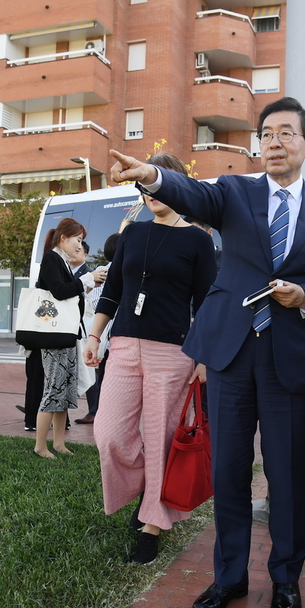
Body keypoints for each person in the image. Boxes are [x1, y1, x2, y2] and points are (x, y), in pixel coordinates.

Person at [108, 96, 305, 608]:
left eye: (287, 133)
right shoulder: (235, 192)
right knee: (229, 473)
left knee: (287, 477)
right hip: (229, 354)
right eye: (267, 133)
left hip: (289, 357)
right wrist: (153, 175)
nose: (274, 142)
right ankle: (229, 578)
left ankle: (286, 578)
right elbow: (191, 193)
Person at [84, 153, 216, 565]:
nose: (150, 194)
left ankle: (153, 524)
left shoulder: (197, 239)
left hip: (172, 353)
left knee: (160, 440)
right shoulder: (133, 234)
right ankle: (146, 488)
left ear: (176, 187)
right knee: (109, 434)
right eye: (143, 186)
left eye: (156, 184)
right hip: (123, 345)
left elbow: (208, 302)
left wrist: (203, 356)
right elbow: (114, 290)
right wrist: (95, 333)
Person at [33, 217, 105, 459]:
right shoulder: (52, 259)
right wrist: (85, 280)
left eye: (81, 240)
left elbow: (69, 295)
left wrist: (85, 285)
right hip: (54, 337)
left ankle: (59, 443)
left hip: (65, 336)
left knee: (64, 391)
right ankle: (40, 446)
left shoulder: (61, 261)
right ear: (63, 238)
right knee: (53, 390)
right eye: (78, 239)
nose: (79, 245)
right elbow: (60, 292)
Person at [75, 233, 120, 426]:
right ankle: (100, 413)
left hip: (97, 333)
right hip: (109, 334)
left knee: (101, 377)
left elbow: (92, 301)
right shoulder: (111, 272)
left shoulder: (99, 271)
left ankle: (98, 413)